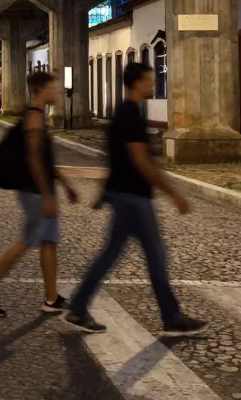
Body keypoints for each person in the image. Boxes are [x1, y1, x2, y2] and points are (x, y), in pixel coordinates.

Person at [62, 62, 209, 335]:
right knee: (155, 256)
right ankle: (172, 318)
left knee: (111, 254)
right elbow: (141, 161)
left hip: (123, 195)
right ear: (138, 83)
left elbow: (113, 158)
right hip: (134, 199)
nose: (153, 86)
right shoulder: (129, 114)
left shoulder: (123, 112)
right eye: (150, 81)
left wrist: (104, 192)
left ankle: (79, 307)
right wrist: (174, 193)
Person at [0, 71, 79, 317]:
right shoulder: (34, 119)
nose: (56, 93)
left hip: (38, 190)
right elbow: (34, 160)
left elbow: (45, 159)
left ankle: (52, 298)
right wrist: (48, 195)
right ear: (41, 91)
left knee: (48, 241)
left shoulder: (39, 117)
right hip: (34, 191)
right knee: (26, 241)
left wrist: (65, 184)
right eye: (52, 89)